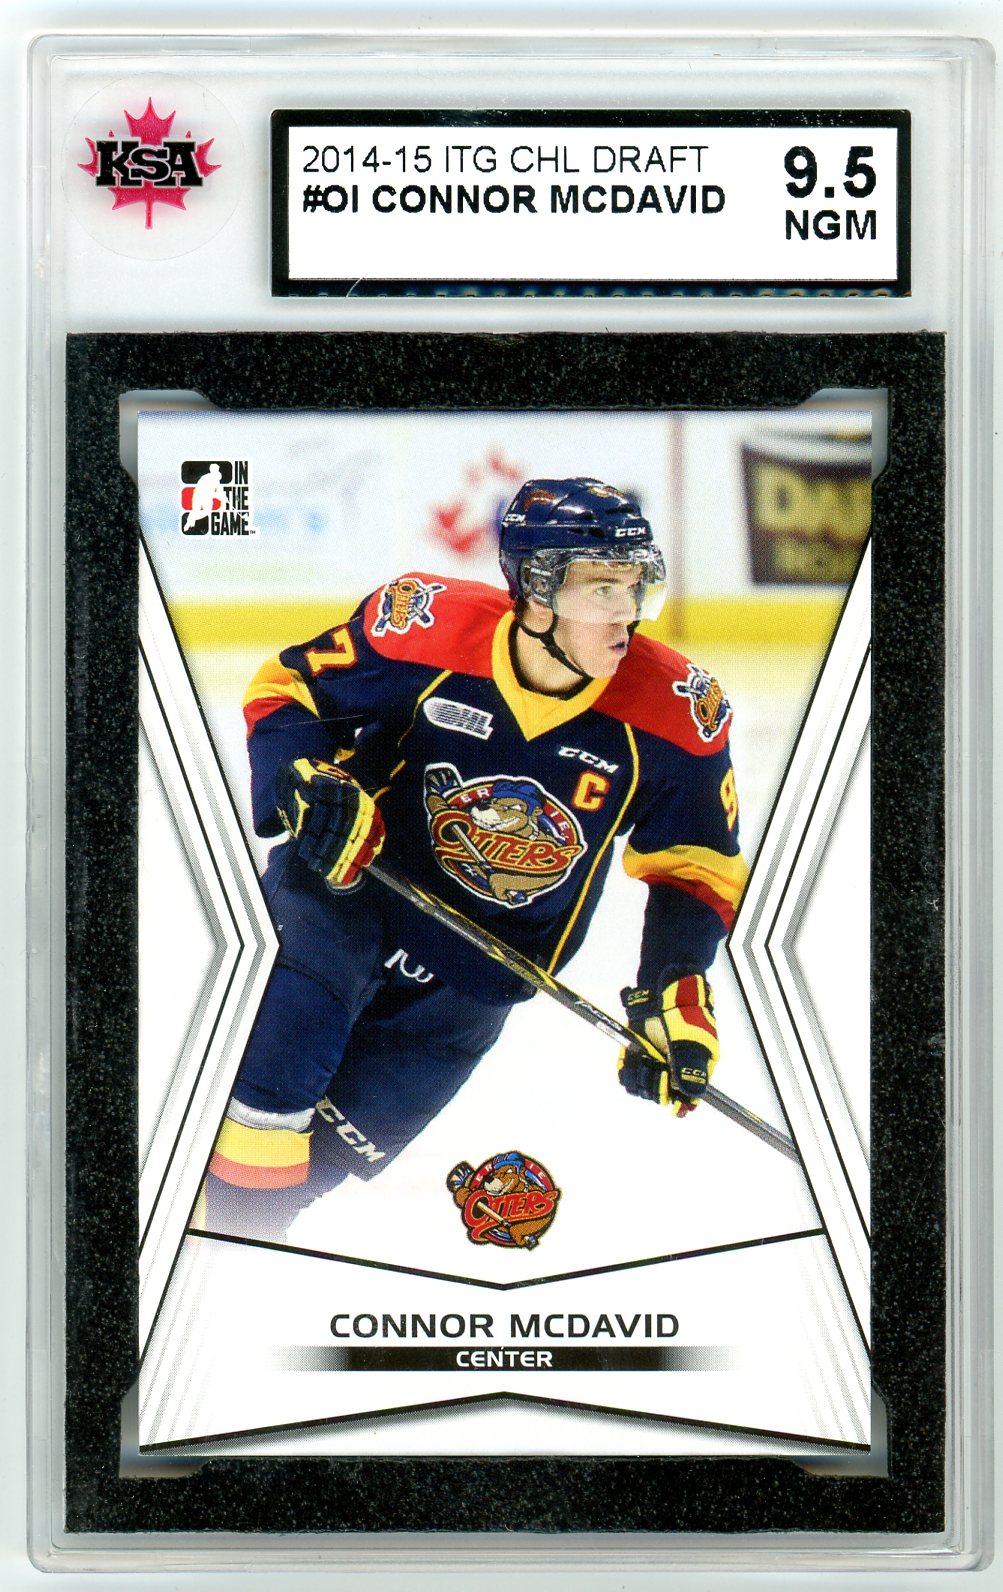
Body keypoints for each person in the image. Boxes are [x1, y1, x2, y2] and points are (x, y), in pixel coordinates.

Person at [202, 477, 748, 1243]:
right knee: (267, 1100)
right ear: (536, 591)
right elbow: (288, 688)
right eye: (601, 589)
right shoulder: (422, 629)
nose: (625, 613)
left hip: (477, 976)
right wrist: (306, 780)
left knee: (295, 1185)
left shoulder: (675, 714)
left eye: (634, 586)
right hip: (346, 893)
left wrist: (675, 984)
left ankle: (211, 1265)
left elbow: (694, 864)